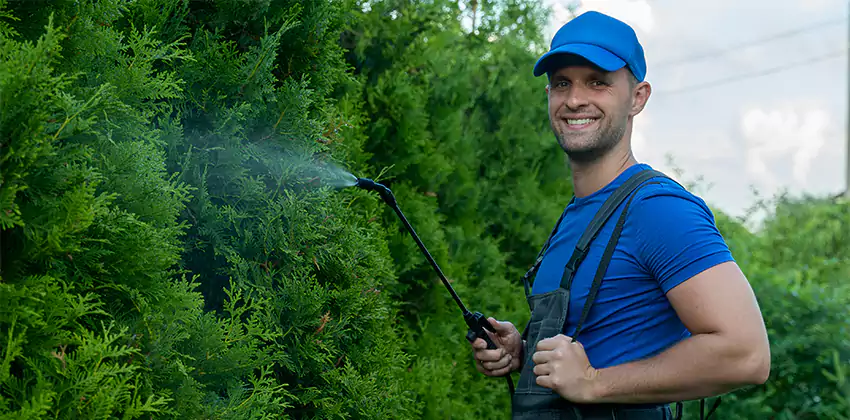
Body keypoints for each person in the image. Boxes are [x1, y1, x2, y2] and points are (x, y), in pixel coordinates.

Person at [468, 10, 771, 420]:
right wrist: (525, 353)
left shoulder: (658, 210)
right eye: (562, 83)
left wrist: (593, 381)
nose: (575, 99)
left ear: (638, 97)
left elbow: (746, 353)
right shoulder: (577, 217)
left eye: (597, 82)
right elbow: (601, 342)